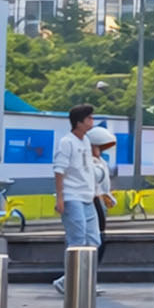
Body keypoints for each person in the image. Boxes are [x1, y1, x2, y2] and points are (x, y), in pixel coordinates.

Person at [51, 104, 103, 296]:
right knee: (77, 241)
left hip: (87, 197)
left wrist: (96, 193)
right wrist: (60, 198)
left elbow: (87, 170)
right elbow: (59, 170)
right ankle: (70, 281)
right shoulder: (67, 142)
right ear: (79, 122)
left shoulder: (86, 141)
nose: (92, 121)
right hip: (72, 196)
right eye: (89, 118)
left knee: (93, 240)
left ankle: (81, 280)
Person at [86, 127, 119, 291]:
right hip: (91, 200)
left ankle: (87, 278)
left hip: (98, 201)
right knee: (95, 240)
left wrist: (108, 197)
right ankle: (74, 279)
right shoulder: (87, 162)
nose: (99, 150)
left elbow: (103, 185)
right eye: (98, 147)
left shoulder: (100, 162)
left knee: (100, 239)